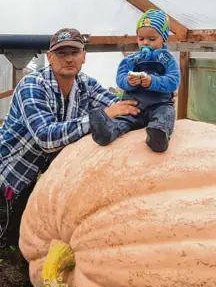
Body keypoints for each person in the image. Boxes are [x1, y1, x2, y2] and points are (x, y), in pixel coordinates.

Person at [0, 28, 140, 247]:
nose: (68, 59)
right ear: (49, 57)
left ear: (83, 56)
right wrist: (100, 117)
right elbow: (46, 137)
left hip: (51, 180)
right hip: (12, 178)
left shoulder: (86, 85)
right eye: (61, 53)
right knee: (8, 244)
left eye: (74, 53)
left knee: (36, 243)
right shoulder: (32, 85)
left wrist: (153, 101)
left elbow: (120, 107)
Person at [89, 9, 180, 153]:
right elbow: (120, 78)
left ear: (163, 38)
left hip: (158, 106)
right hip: (135, 107)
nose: (145, 43)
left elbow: (173, 81)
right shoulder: (130, 59)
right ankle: (107, 132)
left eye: (152, 39)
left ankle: (158, 135)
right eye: (141, 39)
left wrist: (152, 82)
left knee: (166, 114)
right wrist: (129, 82)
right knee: (124, 120)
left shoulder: (168, 60)